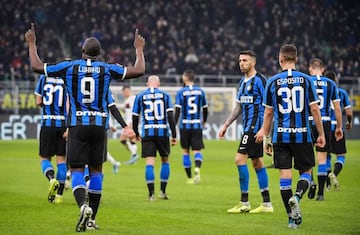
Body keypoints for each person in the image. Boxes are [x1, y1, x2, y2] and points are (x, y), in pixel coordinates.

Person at [25, 22, 145, 232]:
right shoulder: (107, 69)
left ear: (82, 52)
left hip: (77, 125)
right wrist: (139, 49)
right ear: (99, 54)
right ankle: (91, 220)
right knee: (97, 171)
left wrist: (32, 43)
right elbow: (139, 70)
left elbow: (37, 66)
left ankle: (83, 206)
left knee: (77, 169)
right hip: (99, 126)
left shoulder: (69, 67)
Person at [259, 44, 325, 228]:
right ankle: (297, 196)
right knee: (306, 172)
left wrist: (266, 138)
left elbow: (268, 114)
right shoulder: (306, 80)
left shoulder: (272, 81)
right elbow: (314, 109)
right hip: (303, 136)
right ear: (296, 60)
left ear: (280, 60)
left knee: (285, 177)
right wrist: (321, 134)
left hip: (281, 137)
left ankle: (291, 219)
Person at [218, 50, 273, 214]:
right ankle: (267, 204)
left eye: (245, 60)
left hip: (255, 129)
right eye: (240, 60)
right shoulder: (242, 82)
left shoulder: (261, 81)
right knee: (257, 163)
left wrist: (265, 131)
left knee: (239, 160)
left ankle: (244, 202)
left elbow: (270, 107)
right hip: (248, 129)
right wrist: (226, 125)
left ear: (253, 63)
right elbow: (239, 107)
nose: (241, 63)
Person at [132, 75, 177, 201]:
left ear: (147, 83)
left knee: (149, 163)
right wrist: (174, 135)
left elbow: (135, 116)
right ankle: (162, 192)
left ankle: (151, 194)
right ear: (158, 84)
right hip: (163, 132)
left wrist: (136, 133)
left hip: (147, 132)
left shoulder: (140, 96)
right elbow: (170, 116)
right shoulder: (165, 95)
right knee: (165, 161)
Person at [307, 58, 343, 201]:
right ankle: (321, 194)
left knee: (306, 158)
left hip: (309, 122)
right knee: (322, 159)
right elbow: (338, 108)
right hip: (326, 122)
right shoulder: (331, 83)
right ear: (322, 69)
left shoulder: (306, 81)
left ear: (310, 68)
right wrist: (339, 127)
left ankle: (310, 181)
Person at [34, 74, 68, 204]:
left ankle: (51, 179)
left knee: (44, 158)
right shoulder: (67, 79)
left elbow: (38, 101)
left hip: (48, 124)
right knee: (61, 160)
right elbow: (68, 104)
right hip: (63, 125)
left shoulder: (44, 78)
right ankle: (59, 196)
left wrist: (48, 110)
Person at [175, 69, 208, 184]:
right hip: (196, 124)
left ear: (185, 78)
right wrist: (204, 121)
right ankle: (197, 168)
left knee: (185, 151)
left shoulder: (181, 92)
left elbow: (178, 110)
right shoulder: (200, 91)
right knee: (197, 150)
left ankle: (189, 178)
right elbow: (205, 108)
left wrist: (174, 124)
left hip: (184, 125)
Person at [324, 70, 352, 191]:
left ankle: (328, 185)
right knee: (341, 155)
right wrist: (349, 122)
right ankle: (334, 174)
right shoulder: (342, 92)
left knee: (326, 156)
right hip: (336, 126)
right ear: (335, 80)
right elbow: (348, 112)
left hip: (325, 126)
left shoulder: (321, 91)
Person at [117, 85, 139, 165]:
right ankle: (134, 157)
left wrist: (132, 122)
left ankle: (134, 155)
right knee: (132, 140)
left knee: (123, 139)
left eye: (125, 92)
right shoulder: (127, 100)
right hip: (128, 121)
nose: (124, 93)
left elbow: (135, 111)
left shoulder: (133, 99)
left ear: (129, 91)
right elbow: (125, 110)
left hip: (130, 122)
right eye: (123, 92)